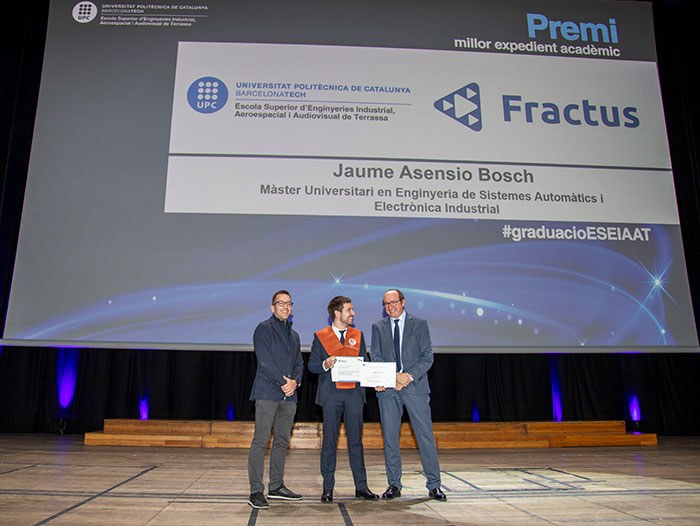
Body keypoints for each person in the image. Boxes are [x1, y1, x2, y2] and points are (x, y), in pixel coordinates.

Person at [370, 288, 447, 501]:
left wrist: (408, 376)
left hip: (415, 388)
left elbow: (427, 356)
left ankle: (434, 485)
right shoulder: (378, 327)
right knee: (390, 438)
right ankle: (394, 484)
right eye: (386, 304)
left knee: (425, 436)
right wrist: (393, 377)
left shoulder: (419, 324)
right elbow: (375, 356)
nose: (390, 307)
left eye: (393, 302)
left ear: (403, 302)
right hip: (388, 390)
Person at [308, 296, 379, 503]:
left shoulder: (358, 335)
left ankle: (361, 487)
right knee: (329, 442)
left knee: (356, 442)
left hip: (354, 394)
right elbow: (312, 366)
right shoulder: (320, 336)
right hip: (331, 395)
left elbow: (365, 364)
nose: (353, 313)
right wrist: (325, 364)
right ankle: (328, 488)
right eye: (349, 310)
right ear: (337, 313)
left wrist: (377, 379)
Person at [247, 290, 304, 509]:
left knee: (282, 441)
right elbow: (264, 361)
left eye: (289, 303)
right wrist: (284, 382)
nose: (285, 306)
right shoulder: (263, 328)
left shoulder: (294, 335)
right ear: (273, 307)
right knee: (261, 441)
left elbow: (299, 363)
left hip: (289, 395)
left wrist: (295, 382)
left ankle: (276, 486)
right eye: (281, 303)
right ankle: (256, 491)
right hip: (267, 393)